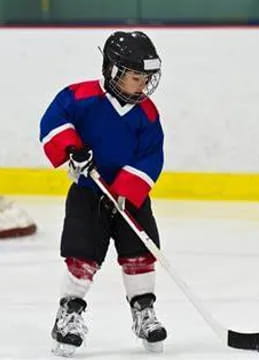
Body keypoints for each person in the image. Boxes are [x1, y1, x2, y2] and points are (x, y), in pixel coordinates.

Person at [39, 30, 166, 356]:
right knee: (82, 254)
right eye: (136, 76)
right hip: (88, 192)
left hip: (129, 197)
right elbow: (52, 121)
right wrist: (72, 148)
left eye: (146, 77)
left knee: (140, 251)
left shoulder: (147, 113)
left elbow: (151, 155)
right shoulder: (79, 97)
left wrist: (128, 189)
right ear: (113, 71)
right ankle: (68, 314)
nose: (142, 84)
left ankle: (143, 312)